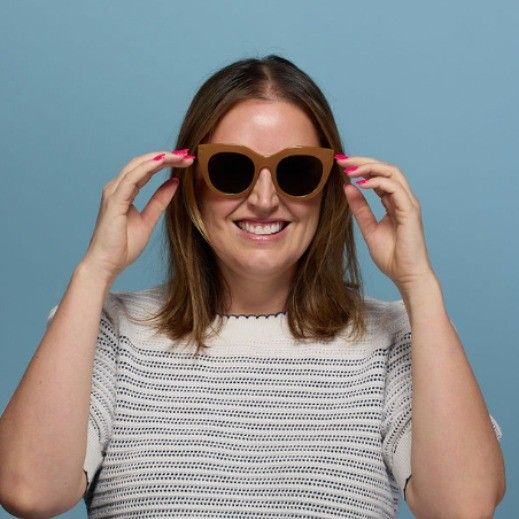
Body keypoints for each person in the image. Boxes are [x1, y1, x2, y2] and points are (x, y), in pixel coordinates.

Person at [0, 55, 505, 518]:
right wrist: (94, 272)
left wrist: (419, 285)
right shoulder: (106, 329)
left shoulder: (392, 336)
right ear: (191, 181)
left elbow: (464, 506)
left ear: (330, 185)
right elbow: (29, 491)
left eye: (297, 171)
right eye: (232, 168)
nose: (264, 199)